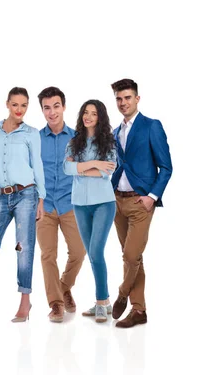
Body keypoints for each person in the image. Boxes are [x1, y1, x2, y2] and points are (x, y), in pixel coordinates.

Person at [0, 87, 45, 323]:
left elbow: (37, 165)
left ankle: (25, 300)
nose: (19, 110)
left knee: (23, 247)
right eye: (15, 104)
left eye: (24, 105)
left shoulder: (31, 133)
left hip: (26, 194)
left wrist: (41, 199)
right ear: (7, 104)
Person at [110, 79, 173, 328]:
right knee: (133, 259)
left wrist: (152, 197)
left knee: (130, 254)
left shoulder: (151, 126)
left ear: (137, 98)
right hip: (117, 201)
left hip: (140, 202)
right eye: (119, 98)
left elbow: (166, 167)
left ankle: (122, 294)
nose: (123, 102)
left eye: (127, 97)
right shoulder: (115, 131)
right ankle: (139, 310)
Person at [63, 99, 117, 323]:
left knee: (96, 252)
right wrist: (93, 164)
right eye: (86, 112)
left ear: (100, 117)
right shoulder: (74, 142)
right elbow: (66, 168)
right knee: (92, 254)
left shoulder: (109, 142)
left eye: (93, 114)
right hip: (79, 204)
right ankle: (103, 303)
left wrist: (80, 168)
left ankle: (102, 302)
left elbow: (107, 172)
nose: (88, 117)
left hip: (104, 202)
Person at [36, 86, 87, 323]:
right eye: (47, 107)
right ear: (43, 110)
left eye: (56, 106)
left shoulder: (78, 138)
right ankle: (56, 303)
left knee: (79, 250)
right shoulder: (35, 139)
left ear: (64, 107)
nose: (52, 112)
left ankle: (64, 286)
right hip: (44, 206)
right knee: (48, 255)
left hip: (70, 204)